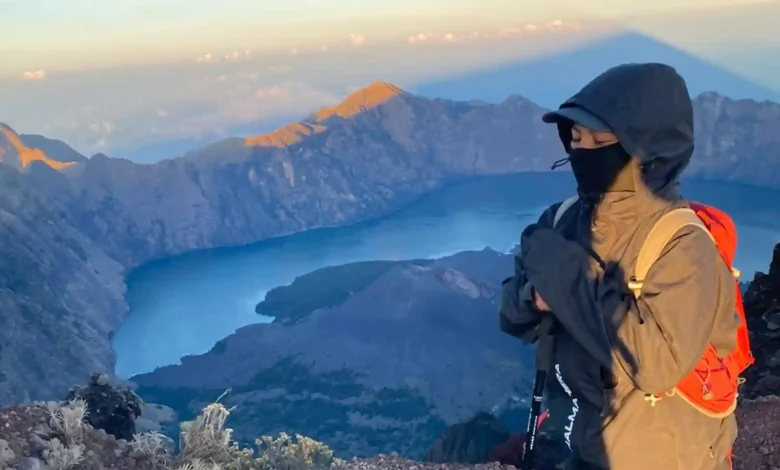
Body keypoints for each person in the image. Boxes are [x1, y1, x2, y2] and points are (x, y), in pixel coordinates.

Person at [499, 62, 741, 470]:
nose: (584, 150)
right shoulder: (561, 221)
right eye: (576, 137)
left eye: (601, 139)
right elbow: (510, 314)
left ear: (648, 150)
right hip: (576, 447)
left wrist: (564, 279)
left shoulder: (683, 245)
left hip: (662, 458)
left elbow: (655, 364)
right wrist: (534, 298)